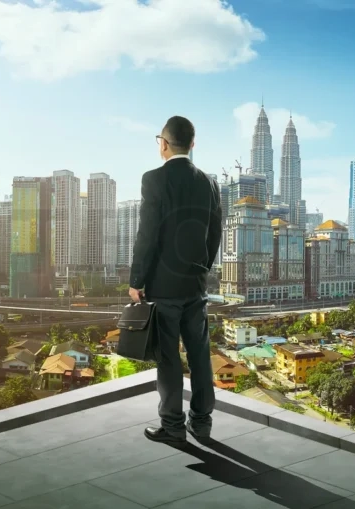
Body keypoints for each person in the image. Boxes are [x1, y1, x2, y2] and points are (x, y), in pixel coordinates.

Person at [129, 115, 223, 444]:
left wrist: (136, 279)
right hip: (196, 286)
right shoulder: (210, 183)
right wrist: (202, 268)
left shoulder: (153, 180)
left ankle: (172, 427)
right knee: (199, 354)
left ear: (164, 144)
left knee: (168, 357)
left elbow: (148, 234)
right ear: (193, 144)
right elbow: (215, 235)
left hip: (163, 287)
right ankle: (202, 422)